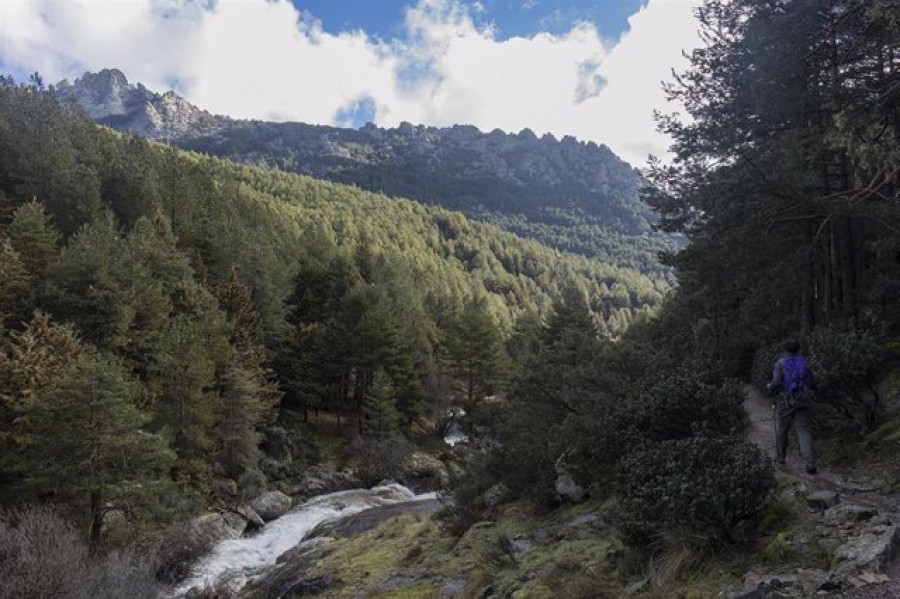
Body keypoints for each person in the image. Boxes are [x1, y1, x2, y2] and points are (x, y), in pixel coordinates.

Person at [767, 340, 816, 474]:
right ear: (798, 349)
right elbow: (812, 381)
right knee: (804, 430)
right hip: (803, 400)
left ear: (785, 349)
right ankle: (810, 462)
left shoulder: (780, 363)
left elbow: (776, 383)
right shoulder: (804, 362)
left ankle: (780, 458)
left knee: (783, 429)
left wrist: (769, 386)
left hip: (785, 401)